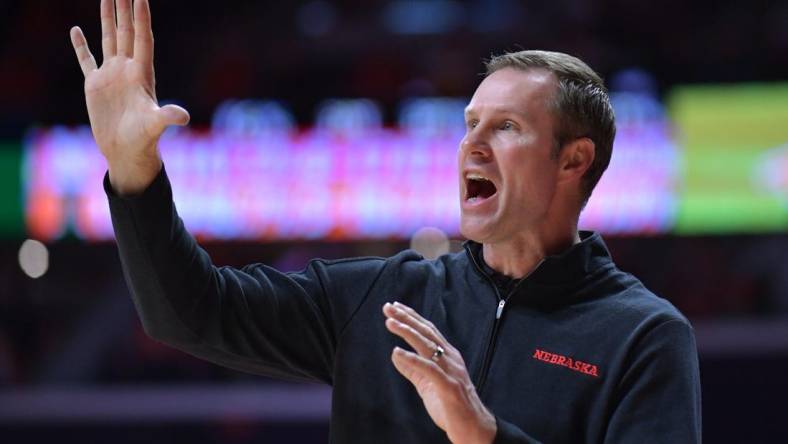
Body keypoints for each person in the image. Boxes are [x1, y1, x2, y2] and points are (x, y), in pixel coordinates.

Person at [70, 1, 702, 442]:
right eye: (469, 124)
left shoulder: (642, 337)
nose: (471, 145)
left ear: (574, 159)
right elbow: (188, 313)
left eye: (506, 127)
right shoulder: (380, 299)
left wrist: (483, 436)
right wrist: (135, 174)